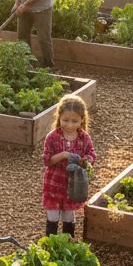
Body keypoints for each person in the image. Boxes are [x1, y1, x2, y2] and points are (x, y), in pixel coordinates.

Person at [42, 94, 97, 237]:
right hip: (54, 184)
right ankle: (50, 244)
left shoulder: (84, 138)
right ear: (59, 117)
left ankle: (67, 245)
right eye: (65, 120)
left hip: (74, 186)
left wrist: (84, 161)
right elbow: (47, 160)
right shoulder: (52, 137)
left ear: (82, 120)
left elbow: (92, 155)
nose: (70, 125)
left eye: (75, 121)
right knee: (53, 216)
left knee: (68, 216)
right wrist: (64, 155)